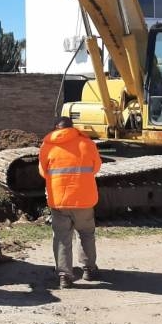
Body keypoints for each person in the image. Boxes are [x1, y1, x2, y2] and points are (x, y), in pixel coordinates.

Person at [38, 116, 102, 289]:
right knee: (86, 233)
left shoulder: (48, 146)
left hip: (59, 200)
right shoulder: (87, 143)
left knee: (61, 237)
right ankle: (89, 269)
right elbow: (96, 167)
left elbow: (43, 172)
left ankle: (64, 276)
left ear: (55, 128)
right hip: (84, 199)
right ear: (72, 128)